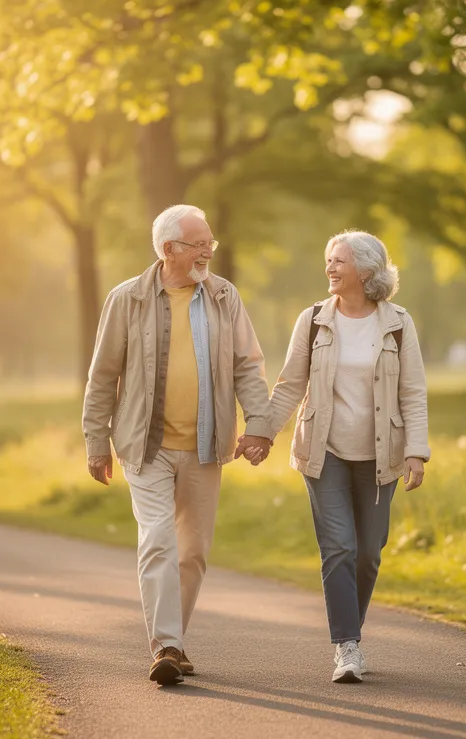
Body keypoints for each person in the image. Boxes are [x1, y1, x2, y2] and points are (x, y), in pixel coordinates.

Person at [83, 204, 273, 686]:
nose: (209, 250)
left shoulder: (224, 296)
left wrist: (260, 424)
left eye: (210, 242)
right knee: (159, 541)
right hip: (144, 446)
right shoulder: (127, 299)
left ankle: (175, 642)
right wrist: (96, 440)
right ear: (169, 250)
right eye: (198, 243)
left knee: (193, 551)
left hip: (205, 445)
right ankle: (166, 644)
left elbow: (248, 365)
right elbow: (103, 375)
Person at [246, 230, 430, 683]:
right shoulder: (312, 320)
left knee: (368, 553)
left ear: (366, 270)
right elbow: (290, 384)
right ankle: (347, 647)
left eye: (339, 261)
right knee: (339, 549)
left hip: (380, 455)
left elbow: (413, 392)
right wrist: (261, 432)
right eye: (328, 260)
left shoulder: (398, 323)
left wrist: (416, 452)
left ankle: (351, 629)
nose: (329, 267)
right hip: (323, 450)